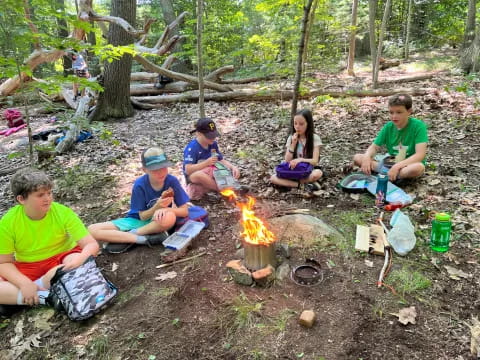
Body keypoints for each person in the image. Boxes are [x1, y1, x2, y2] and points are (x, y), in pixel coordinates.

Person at [0, 168, 99, 315]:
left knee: (76, 263)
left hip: (61, 259)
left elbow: (91, 245)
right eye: (40, 195)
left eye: (49, 193)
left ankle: (21, 296)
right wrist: (24, 283)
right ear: (21, 199)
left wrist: (79, 260)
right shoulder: (8, 222)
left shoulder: (61, 212)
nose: (48, 198)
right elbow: (3, 262)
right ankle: (47, 297)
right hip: (28, 267)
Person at [89, 147, 190, 254]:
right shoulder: (140, 185)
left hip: (158, 221)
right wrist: (157, 206)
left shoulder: (171, 181)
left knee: (170, 217)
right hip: (135, 221)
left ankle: (126, 237)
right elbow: (142, 216)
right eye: (155, 169)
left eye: (163, 167)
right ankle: (143, 239)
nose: (161, 172)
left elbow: (185, 210)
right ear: (145, 170)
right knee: (92, 230)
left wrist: (169, 210)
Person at [352, 94, 428, 182]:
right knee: (357, 158)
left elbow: (420, 155)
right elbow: (374, 147)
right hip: (390, 162)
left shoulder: (418, 126)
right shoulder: (388, 127)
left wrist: (397, 166)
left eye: (399, 112)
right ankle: (390, 175)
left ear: (409, 111)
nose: (394, 116)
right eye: (391, 112)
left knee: (418, 168)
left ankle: (389, 174)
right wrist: (367, 157)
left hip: (407, 165)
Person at [183, 118, 240, 200]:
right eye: (209, 136)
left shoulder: (213, 144)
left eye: (214, 136)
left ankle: (225, 186)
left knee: (229, 171)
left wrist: (232, 167)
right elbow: (188, 170)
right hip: (193, 176)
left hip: (210, 171)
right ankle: (224, 190)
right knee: (200, 176)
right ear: (199, 134)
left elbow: (220, 160)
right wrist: (206, 163)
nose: (213, 138)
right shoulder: (192, 148)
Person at [270, 109, 323, 192]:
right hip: (293, 170)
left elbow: (315, 161)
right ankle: (301, 185)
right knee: (273, 178)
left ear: (308, 124)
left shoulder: (314, 138)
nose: (297, 127)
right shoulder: (291, 138)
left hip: (307, 170)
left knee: (317, 173)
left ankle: (289, 183)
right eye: (295, 123)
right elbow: (287, 160)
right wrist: (293, 143)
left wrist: (300, 160)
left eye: (301, 124)